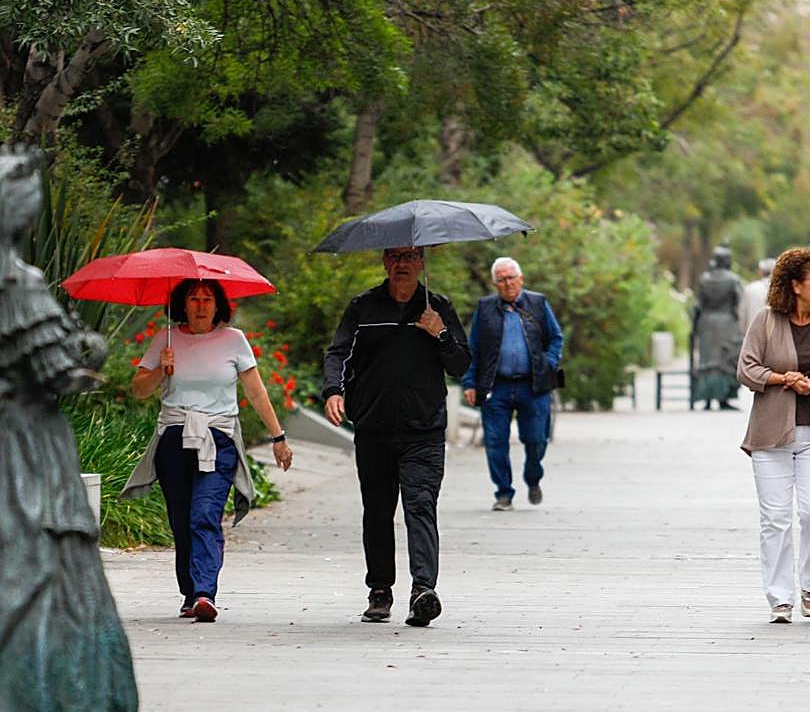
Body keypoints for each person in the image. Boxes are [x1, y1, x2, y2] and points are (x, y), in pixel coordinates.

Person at [1, 148, 141, 712]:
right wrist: (90, 346)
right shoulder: (16, 281)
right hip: (26, 454)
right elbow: (60, 373)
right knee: (44, 582)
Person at [124, 279, 294, 623]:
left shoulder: (234, 340)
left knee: (204, 514)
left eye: (207, 299)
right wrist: (161, 368)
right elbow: (139, 390)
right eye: (194, 299)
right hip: (174, 438)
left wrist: (279, 436)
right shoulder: (165, 339)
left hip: (218, 438)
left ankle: (205, 593)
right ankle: (190, 593)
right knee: (181, 520)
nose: (201, 305)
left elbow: (256, 392)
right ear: (182, 305)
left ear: (219, 305)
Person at [322, 246, 471, 626]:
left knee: (420, 505)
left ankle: (423, 590)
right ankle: (380, 590)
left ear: (422, 262)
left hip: (424, 429)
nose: (402, 264)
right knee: (377, 511)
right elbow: (339, 353)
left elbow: (461, 364)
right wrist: (333, 391)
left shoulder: (437, 307)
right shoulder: (364, 308)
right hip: (373, 427)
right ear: (385, 262)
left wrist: (440, 333)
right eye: (394, 256)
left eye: (409, 257)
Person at [737, 249, 810, 623]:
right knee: (775, 518)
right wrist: (779, 377)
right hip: (771, 436)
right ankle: (779, 597)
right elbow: (746, 368)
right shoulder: (766, 321)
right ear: (794, 285)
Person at [463, 257, 564, 511]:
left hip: (533, 386)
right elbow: (474, 348)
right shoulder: (485, 308)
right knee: (495, 441)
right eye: (501, 279)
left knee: (537, 439)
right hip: (496, 387)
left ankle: (533, 478)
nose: (507, 284)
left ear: (521, 279)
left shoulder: (538, 304)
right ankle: (504, 493)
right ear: (494, 283)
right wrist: (470, 382)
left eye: (511, 278)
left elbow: (556, 337)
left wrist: (548, 362)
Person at [692, 245, 743, 410]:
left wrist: (695, 326)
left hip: (707, 322)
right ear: (727, 260)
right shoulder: (733, 279)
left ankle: (707, 398)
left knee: (708, 360)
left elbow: (699, 304)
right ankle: (724, 398)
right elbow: (737, 300)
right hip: (726, 322)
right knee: (725, 359)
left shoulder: (705, 279)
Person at [738, 257, 775, 333]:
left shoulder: (749, 288)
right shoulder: (781, 289)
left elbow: (742, 314)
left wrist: (742, 332)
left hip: (752, 333)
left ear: (760, 272)